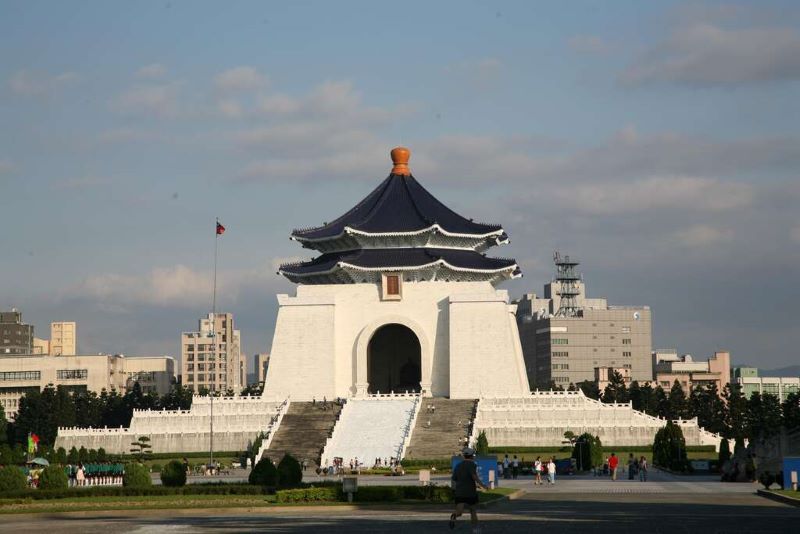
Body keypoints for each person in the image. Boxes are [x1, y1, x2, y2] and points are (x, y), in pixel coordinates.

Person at [450, 447, 487, 533]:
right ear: (471, 456)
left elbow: (454, 479)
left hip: (459, 492)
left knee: (459, 511)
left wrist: (454, 490)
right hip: (470, 492)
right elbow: (474, 477)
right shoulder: (472, 465)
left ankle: (454, 516)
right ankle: (475, 529)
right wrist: (483, 485)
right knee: (473, 511)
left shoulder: (458, 466)